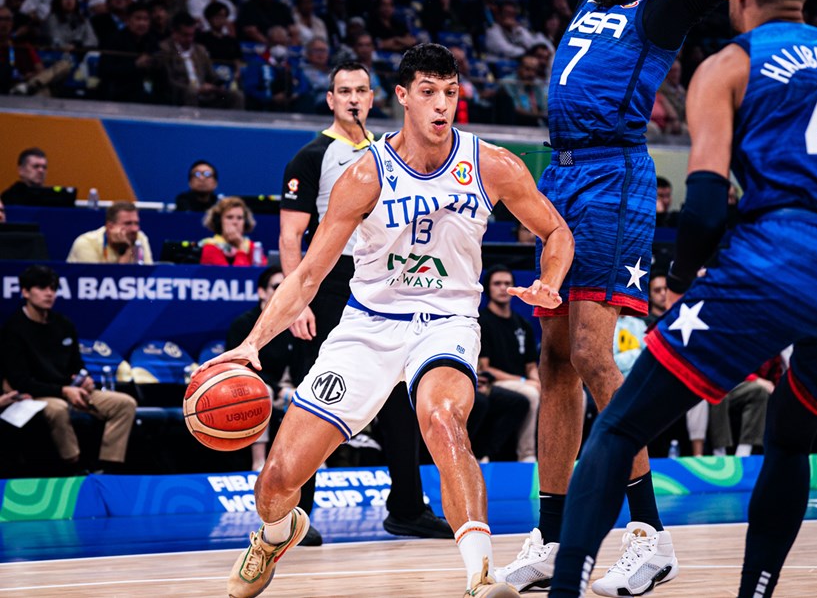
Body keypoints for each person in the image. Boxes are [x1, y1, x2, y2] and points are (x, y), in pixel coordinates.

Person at [545, 0, 817, 598]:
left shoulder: (729, 62)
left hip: (776, 259)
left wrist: (690, 287)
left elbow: (699, 205)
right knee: (788, 438)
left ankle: (564, 587)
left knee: (617, 425)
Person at [498, 0, 817, 594]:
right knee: (555, 357)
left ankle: (647, 533)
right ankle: (553, 531)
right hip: (558, 182)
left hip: (609, 180)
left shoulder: (661, 6)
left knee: (595, 352)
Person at [199, 43, 573, 598]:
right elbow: (305, 275)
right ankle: (275, 534)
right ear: (402, 97)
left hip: (446, 320)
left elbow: (557, 232)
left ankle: (482, 573)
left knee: (445, 423)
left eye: (450, 92)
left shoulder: (492, 164)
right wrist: (253, 344)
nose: (441, 105)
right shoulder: (363, 175)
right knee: (277, 481)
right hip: (368, 326)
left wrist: (552, 281)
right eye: (428, 93)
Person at [280, 59, 450, 543]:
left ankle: (407, 508)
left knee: (400, 394)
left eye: (361, 90)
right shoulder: (312, 157)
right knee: (317, 394)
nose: (353, 98)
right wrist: (297, 302)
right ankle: (297, 514)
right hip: (329, 284)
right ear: (330, 100)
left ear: (375, 98)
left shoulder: (392, 153)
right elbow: (291, 237)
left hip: (384, 283)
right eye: (343, 91)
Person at [1, 265, 138, 474]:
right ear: (25, 292)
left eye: (53, 288)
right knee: (57, 409)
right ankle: (75, 467)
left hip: (72, 390)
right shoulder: (13, 329)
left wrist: (84, 380)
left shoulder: (63, 324)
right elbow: (21, 381)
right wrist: (63, 391)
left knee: (124, 404)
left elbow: (77, 364)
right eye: (42, 287)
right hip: (37, 395)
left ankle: (108, 468)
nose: (49, 293)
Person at [227, 265, 296, 473]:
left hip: (285, 386)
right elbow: (237, 367)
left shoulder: (294, 323)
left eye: (285, 286)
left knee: (310, 396)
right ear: (261, 291)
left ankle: (312, 463)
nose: (281, 291)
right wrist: (276, 388)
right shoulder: (243, 324)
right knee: (262, 392)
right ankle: (259, 462)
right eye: (276, 286)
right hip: (252, 384)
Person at [478, 266, 541, 462]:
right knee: (530, 394)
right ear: (488, 288)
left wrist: (536, 381)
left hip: (523, 381)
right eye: (497, 284)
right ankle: (527, 455)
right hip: (494, 383)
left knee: (576, 396)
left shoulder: (522, 324)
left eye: (507, 283)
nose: (503, 288)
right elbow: (484, 368)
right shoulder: (482, 322)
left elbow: (531, 365)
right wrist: (525, 381)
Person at [158, 12, 245, 109]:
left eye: (192, 35)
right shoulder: (165, 49)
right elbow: (168, 81)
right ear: (174, 33)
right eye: (185, 35)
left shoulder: (200, 50)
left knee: (236, 96)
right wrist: (196, 90)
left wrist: (218, 86)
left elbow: (212, 76)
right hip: (180, 95)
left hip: (206, 96)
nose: (189, 39)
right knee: (191, 93)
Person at [66, 201, 152, 264]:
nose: (134, 229)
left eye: (136, 223)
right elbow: (97, 284)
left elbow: (148, 277)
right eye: (128, 223)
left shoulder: (140, 238)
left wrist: (128, 247)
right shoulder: (86, 243)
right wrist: (126, 251)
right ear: (110, 227)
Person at [199, 196, 258, 266]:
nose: (235, 222)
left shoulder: (252, 247)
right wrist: (241, 249)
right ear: (218, 221)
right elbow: (234, 275)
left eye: (240, 218)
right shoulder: (210, 247)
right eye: (229, 217)